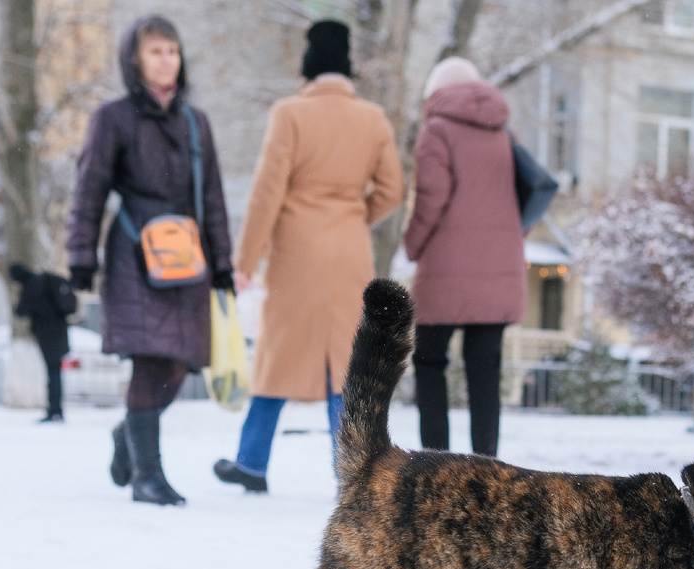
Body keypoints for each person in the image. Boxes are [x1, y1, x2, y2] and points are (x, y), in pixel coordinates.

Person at [213, 19, 404, 494]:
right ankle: (354, 477)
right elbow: (393, 190)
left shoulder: (289, 114)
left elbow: (267, 192)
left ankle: (251, 462)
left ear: (309, 61)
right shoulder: (373, 118)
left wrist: (246, 259)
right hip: (350, 251)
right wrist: (355, 217)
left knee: (277, 355)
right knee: (347, 364)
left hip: (297, 251)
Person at [66, 16, 234, 506]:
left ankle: (129, 435)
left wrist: (224, 261)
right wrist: (81, 254)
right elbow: (89, 189)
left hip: (188, 259)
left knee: (179, 365)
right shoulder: (113, 118)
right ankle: (148, 476)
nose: (166, 60)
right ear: (134, 59)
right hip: (134, 256)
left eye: (172, 51)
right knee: (148, 361)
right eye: (156, 51)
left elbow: (213, 197)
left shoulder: (195, 122)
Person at [403, 57, 527, 458]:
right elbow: (527, 193)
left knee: (430, 363)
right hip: (500, 270)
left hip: (445, 269)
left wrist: (412, 244)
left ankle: (435, 465)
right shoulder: (505, 133)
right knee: (485, 372)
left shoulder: (437, 130)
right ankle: (487, 467)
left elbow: (431, 198)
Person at [9, 263, 75, 424]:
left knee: (53, 373)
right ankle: (56, 409)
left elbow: (20, 311)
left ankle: (54, 410)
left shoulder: (32, 286)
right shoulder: (45, 281)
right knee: (55, 372)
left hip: (47, 334)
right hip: (59, 331)